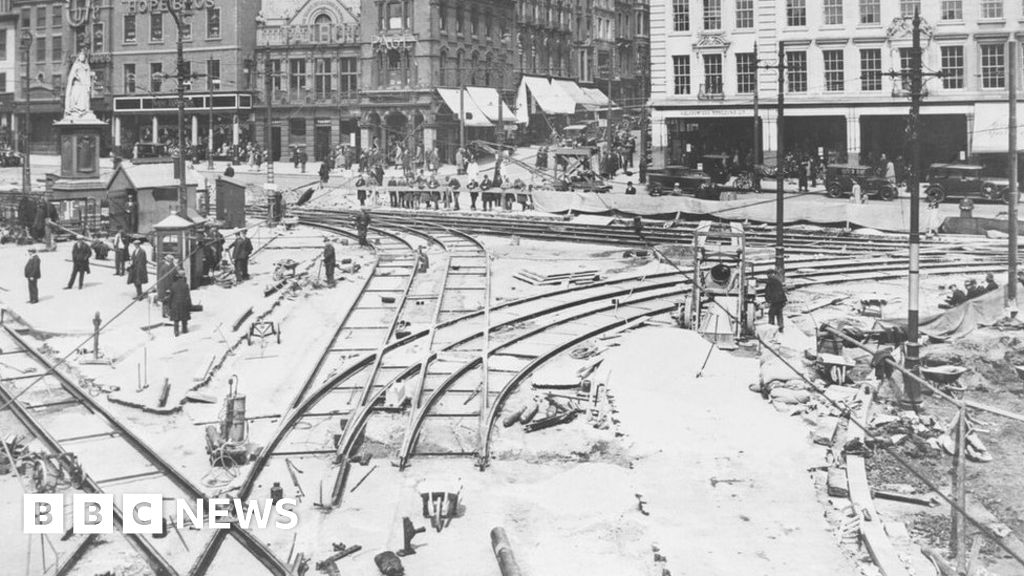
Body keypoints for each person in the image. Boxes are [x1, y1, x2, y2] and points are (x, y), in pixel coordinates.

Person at [167, 270, 192, 337]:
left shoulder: (173, 285)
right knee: (184, 318)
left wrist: (169, 305)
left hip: (175, 304)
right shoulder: (186, 285)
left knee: (176, 319)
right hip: (184, 304)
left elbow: (171, 297)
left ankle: (176, 331)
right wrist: (190, 305)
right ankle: (184, 329)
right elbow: (188, 296)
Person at [765, 269, 787, 333]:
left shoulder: (771, 281)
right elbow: (781, 291)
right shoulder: (777, 280)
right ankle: (780, 326)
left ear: (770, 274)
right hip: (780, 300)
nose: (767, 276)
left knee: (771, 313)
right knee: (779, 313)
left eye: (768, 274)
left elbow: (768, 292)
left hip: (775, 301)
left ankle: (771, 327)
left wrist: (768, 300)